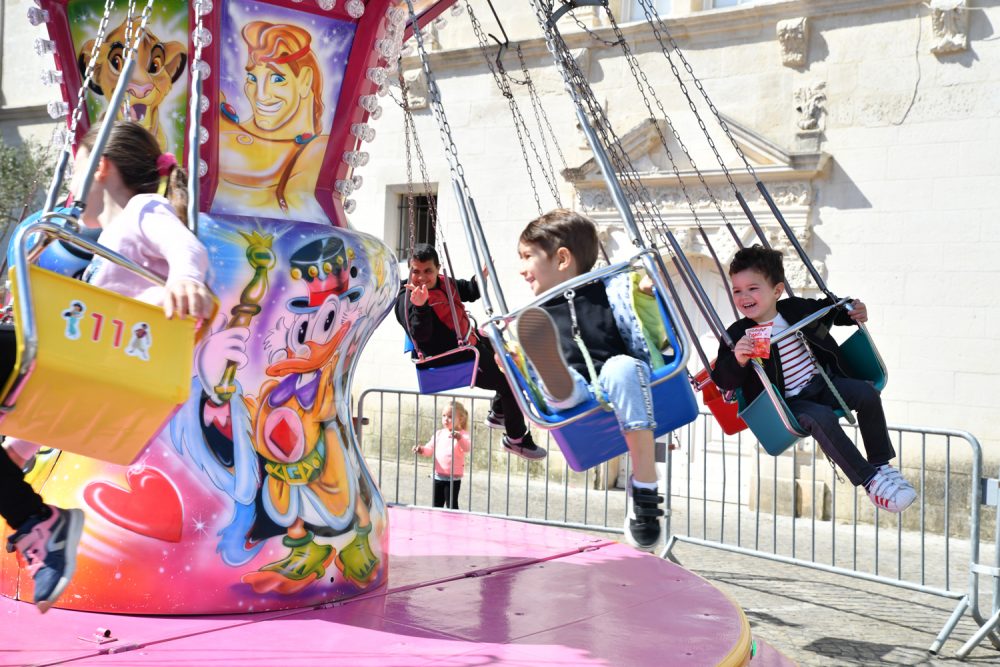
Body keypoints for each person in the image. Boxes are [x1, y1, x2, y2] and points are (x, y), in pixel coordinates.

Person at [2, 120, 213, 611]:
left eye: (75, 165)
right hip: (91, 367)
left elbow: (188, 248)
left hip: (124, 357)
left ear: (99, 166)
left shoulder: (144, 209)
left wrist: (184, 279)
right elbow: (70, 376)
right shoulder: (94, 242)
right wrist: (20, 447)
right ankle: (38, 519)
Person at [711, 245, 917, 513]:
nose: (744, 296)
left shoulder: (796, 310)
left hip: (821, 384)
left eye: (752, 288)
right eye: (737, 290)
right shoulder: (739, 333)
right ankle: (871, 482)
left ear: (777, 291)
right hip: (785, 405)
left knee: (866, 393)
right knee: (821, 417)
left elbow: (830, 310)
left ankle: (880, 464)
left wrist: (853, 311)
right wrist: (738, 359)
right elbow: (724, 379)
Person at [513, 210, 664, 551]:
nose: (521, 269)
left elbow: (652, 333)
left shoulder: (613, 290)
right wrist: (510, 363)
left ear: (562, 258)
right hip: (578, 395)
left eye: (527, 257)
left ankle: (645, 489)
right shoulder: (537, 317)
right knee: (562, 383)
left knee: (623, 367)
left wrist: (648, 296)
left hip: (621, 384)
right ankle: (557, 384)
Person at [395, 243, 545, 461]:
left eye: (428, 271)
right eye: (415, 271)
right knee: (510, 381)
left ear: (438, 269)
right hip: (451, 357)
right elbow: (421, 336)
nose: (421, 278)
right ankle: (516, 439)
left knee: (504, 351)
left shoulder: (445, 282)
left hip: (467, 342)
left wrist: (481, 278)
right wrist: (420, 306)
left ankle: (498, 413)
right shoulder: (405, 298)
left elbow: (468, 291)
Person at [413, 402, 472, 509]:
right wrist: (421, 449)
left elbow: (467, 448)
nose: (446, 419)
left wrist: (459, 438)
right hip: (438, 476)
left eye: (450, 417)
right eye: (444, 415)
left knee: (452, 506)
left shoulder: (463, 434)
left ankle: (454, 525)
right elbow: (429, 449)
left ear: (460, 419)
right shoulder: (439, 433)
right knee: (436, 505)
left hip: (453, 478)